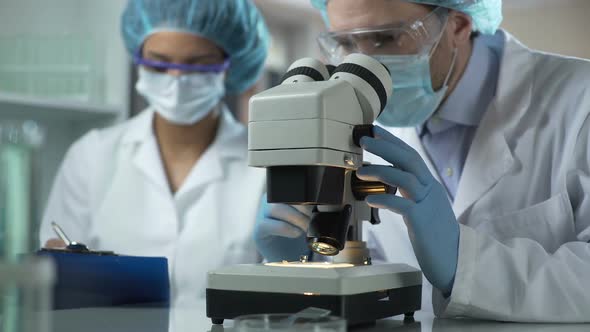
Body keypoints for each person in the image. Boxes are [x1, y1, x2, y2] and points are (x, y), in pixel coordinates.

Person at [254, 0, 590, 322]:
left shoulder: (579, 103)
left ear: (457, 24)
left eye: (386, 37)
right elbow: (369, 281)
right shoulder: (356, 124)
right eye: (345, 43)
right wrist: (307, 261)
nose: (363, 61)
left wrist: (466, 264)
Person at [40, 0, 269, 303]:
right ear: (138, 57)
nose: (176, 80)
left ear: (232, 65)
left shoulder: (266, 164)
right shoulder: (91, 156)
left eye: (198, 65)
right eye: (159, 64)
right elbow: (55, 276)